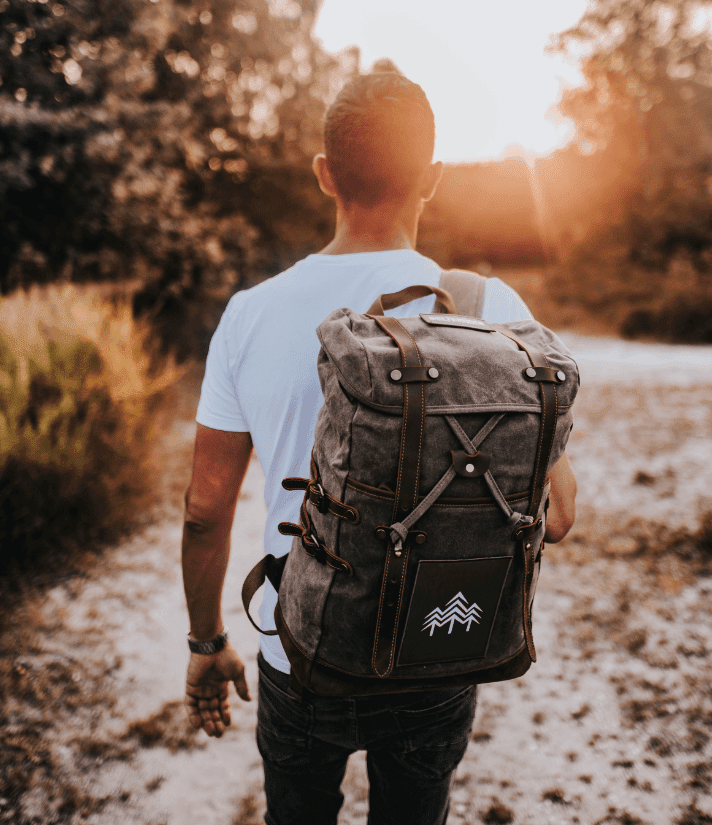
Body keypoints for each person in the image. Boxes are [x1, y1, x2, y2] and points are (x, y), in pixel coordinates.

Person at [181, 72, 577, 825]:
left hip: (298, 649)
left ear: (324, 174)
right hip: (437, 643)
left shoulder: (249, 314)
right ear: (431, 178)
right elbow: (554, 513)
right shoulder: (490, 309)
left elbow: (205, 510)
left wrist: (207, 640)